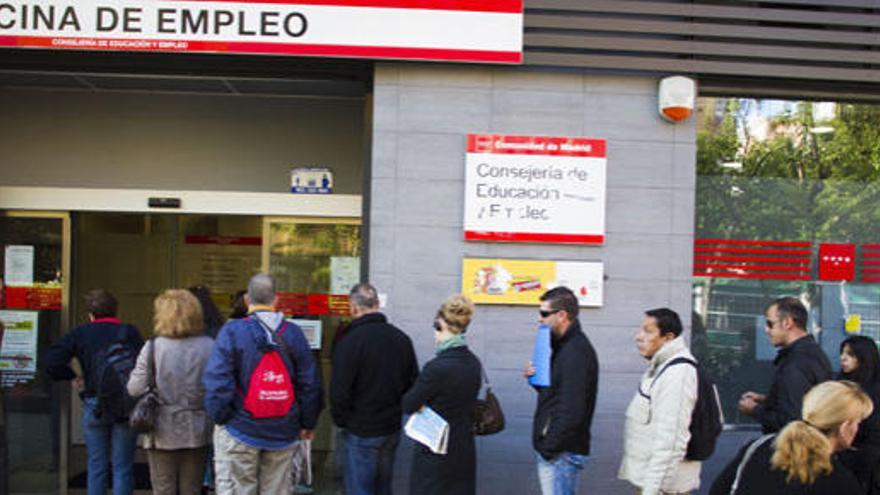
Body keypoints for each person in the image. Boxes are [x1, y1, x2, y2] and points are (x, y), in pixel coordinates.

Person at [203, 273, 322, 494]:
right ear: (276, 300)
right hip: (284, 431)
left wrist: (222, 418)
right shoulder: (294, 333)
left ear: (247, 300)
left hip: (240, 428)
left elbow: (218, 382)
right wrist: (307, 423)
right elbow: (310, 383)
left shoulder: (232, 331)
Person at [45, 289, 143, 495]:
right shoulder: (129, 332)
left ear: (90, 314)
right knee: (123, 467)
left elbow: (52, 362)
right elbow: (144, 366)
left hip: (94, 403)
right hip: (124, 405)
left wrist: (72, 376)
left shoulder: (80, 333)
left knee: (96, 466)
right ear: (115, 311)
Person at [330, 282, 418, 495]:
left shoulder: (349, 342)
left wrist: (343, 421)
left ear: (353, 308)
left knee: (359, 488)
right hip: (390, 427)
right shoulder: (401, 339)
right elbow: (413, 383)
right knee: (383, 488)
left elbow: (339, 392)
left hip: (360, 429)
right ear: (377, 304)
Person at [710, 380, 872, 494]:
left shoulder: (758, 447)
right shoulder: (840, 482)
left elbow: (719, 490)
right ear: (845, 427)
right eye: (857, 422)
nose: (858, 428)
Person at [127, 289, 214, 495]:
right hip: (198, 427)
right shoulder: (210, 346)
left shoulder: (153, 347)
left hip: (161, 429)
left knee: (163, 489)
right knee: (191, 489)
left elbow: (134, 388)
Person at [401, 294, 482, 495]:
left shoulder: (436, 368)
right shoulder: (473, 363)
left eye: (436, 327)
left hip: (435, 449)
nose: (435, 334)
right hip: (463, 446)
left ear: (444, 325)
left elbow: (408, 405)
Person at [523, 286, 599, 495]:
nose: (540, 319)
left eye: (544, 314)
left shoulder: (575, 352)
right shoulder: (564, 348)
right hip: (559, 451)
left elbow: (572, 410)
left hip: (561, 454)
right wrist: (536, 382)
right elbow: (559, 396)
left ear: (562, 315)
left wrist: (549, 448)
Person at [619, 308, 701, 495]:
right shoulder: (662, 366)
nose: (639, 337)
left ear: (668, 337)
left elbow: (671, 441)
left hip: (663, 488)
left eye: (648, 331)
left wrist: (653, 490)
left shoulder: (677, 374)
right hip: (653, 483)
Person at [737, 296, 832, 433]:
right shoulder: (810, 354)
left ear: (787, 323)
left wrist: (755, 410)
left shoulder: (797, 362)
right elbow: (802, 400)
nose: (767, 330)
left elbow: (792, 421)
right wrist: (767, 400)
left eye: (770, 324)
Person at [837, 335, 880, 494]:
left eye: (851, 355)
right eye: (842, 353)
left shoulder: (874, 389)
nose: (843, 358)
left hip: (866, 461)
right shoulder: (841, 383)